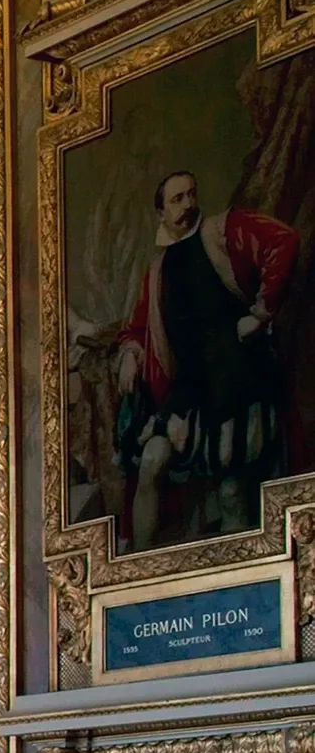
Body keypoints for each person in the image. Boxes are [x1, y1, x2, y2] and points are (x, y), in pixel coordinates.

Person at [115, 169, 300, 549]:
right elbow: (135, 329)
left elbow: (284, 241)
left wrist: (261, 312)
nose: (188, 205)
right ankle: (141, 570)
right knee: (151, 460)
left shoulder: (223, 230)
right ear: (161, 214)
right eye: (177, 199)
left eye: (191, 195)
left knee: (232, 493)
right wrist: (131, 356)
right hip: (189, 389)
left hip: (237, 380)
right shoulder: (157, 271)